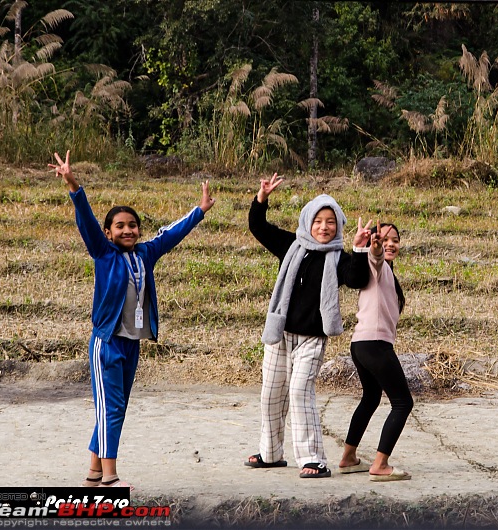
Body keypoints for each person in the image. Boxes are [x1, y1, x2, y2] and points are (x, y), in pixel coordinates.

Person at [49, 150, 216, 489]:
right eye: (120, 226)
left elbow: (171, 235)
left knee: (117, 409)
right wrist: (72, 184)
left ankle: (94, 473)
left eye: (132, 225)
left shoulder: (145, 254)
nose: (128, 230)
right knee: (109, 409)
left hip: (131, 343)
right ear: (108, 233)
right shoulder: (103, 252)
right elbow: (86, 219)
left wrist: (199, 211)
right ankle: (110, 479)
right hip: (106, 343)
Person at [246, 173, 370, 478]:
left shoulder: (339, 257)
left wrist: (358, 249)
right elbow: (258, 227)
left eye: (331, 222)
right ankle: (271, 454)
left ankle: (313, 459)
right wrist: (262, 197)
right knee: (271, 394)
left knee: (301, 392)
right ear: (307, 222)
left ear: (338, 226)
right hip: (280, 334)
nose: (324, 227)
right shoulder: (291, 244)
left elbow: (357, 279)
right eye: (318, 221)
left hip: (312, 338)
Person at [338, 222, 413, 481]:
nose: (391, 244)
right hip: (375, 345)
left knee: (371, 398)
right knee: (403, 403)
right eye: (386, 239)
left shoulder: (388, 273)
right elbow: (376, 258)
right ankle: (380, 465)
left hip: (361, 345)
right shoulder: (376, 265)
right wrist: (375, 248)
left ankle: (348, 458)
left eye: (396, 240)